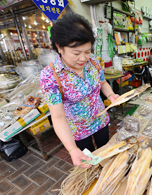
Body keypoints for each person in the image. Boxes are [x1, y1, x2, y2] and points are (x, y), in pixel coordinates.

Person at [40, 13, 119, 168]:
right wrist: (72, 149)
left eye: (87, 51)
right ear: (59, 47)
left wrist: (111, 95)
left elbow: (102, 83)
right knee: (89, 165)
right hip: (78, 131)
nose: (83, 58)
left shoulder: (94, 61)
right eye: (76, 53)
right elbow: (58, 117)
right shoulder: (50, 76)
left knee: (105, 155)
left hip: (101, 120)